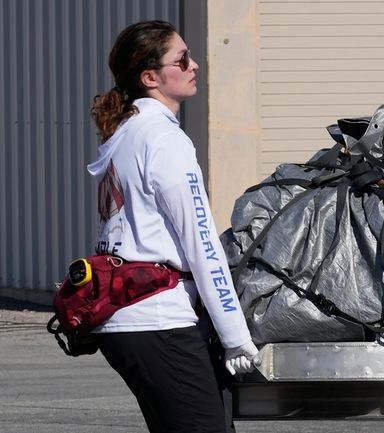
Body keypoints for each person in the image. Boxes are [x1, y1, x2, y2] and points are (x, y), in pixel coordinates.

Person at [87, 20, 259, 433]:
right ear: (150, 77)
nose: (194, 65)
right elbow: (202, 243)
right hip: (158, 321)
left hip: (127, 319)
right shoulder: (164, 140)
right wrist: (235, 334)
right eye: (181, 59)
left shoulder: (126, 133)